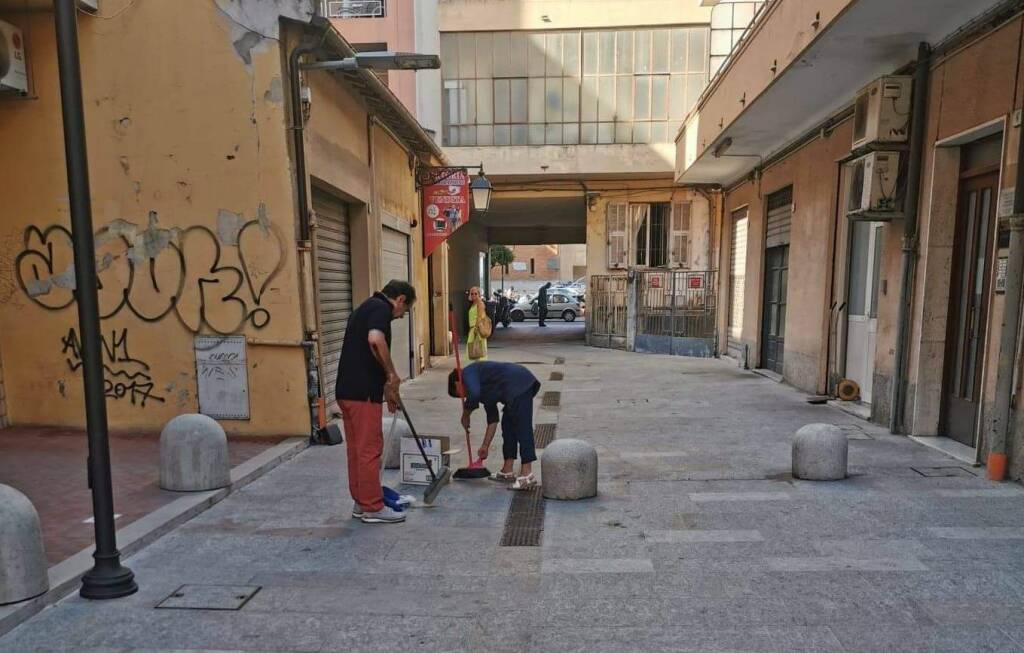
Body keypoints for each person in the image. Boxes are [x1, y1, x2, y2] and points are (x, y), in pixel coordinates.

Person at [335, 280, 416, 524]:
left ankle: (361, 502)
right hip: (363, 395)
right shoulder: (381, 309)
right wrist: (391, 375)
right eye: (406, 310)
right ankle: (373, 507)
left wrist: (385, 386)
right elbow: (375, 340)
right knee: (370, 450)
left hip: (346, 391)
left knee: (357, 451)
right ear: (400, 299)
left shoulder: (364, 308)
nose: (401, 316)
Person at [449, 362, 541, 490]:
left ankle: (527, 475)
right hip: (513, 389)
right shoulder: (483, 387)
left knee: (522, 428)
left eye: (460, 395)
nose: (463, 398)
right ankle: (507, 470)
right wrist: (485, 446)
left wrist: (466, 415)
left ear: (457, 383)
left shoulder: (467, 373)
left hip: (519, 382)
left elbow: (473, 395)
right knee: (508, 427)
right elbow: (493, 420)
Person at [466, 286, 488, 361]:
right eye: (472, 294)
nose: (473, 295)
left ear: (479, 294)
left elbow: (479, 317)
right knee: (473, 352)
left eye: (475, 293)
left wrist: (475, 329)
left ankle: (480, 369)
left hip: (477, 330)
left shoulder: (480, 304)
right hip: (472, 330)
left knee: (479, 352)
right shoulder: (473, 304)